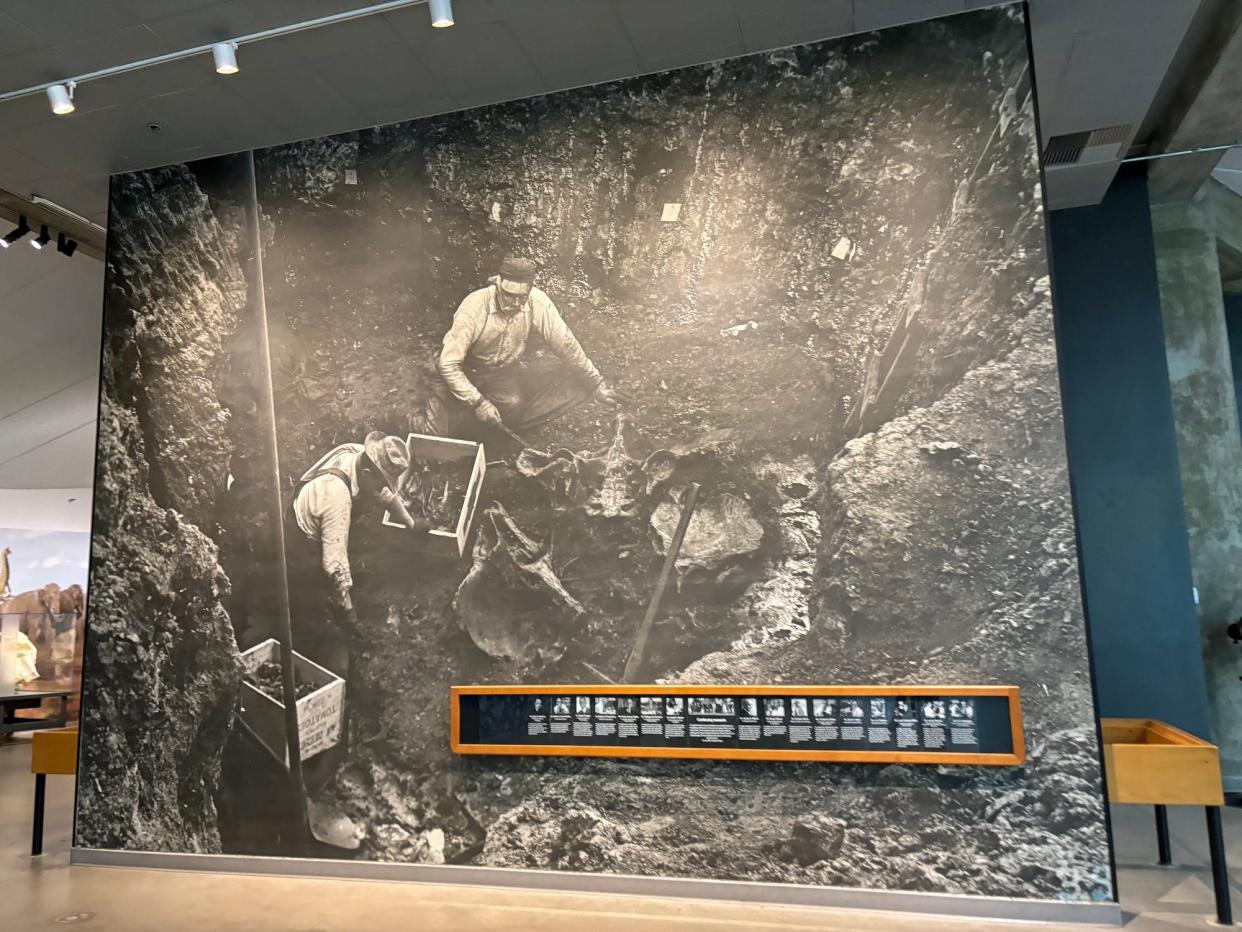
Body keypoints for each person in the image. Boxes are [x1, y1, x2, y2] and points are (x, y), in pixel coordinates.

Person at [428, 257, 618, 438]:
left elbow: (566, 344)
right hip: (464, 369)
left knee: (512, 404)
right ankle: (437, 408)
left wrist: (595, 382)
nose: (515, 303)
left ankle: (480, 434)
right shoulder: (475, 306)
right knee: (436, 433)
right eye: (509, 296)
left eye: (522, 297)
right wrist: (478, 402)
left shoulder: (537, 302)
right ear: (498, 283)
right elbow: (449, 364)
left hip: (499, 374)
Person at [291, 431, 421, 616]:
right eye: (381, 483)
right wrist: (348, 614)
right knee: (314, 594)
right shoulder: (338, 499)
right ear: (367, 474)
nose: (382, 488)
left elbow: (383, 494)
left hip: (317, 503)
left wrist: (411, 523)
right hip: (299, 535)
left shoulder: (358, 454)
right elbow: (335, 567)